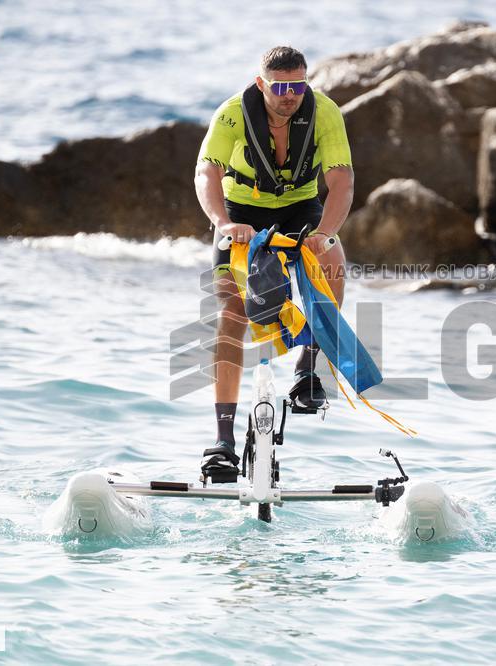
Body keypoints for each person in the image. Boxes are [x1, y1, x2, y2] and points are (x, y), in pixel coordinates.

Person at [193, 46, 355, 478]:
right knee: (231, 311)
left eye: (298, 85)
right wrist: (224, 224)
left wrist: (324, 234)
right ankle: (222, 441)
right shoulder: (231, 114)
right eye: (280, 86)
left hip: (300, 208)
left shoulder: (324, 112)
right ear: (262, 83)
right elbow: (206, 173)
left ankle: (308, 369)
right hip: (242, 213)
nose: (290, 95)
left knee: (334, 267)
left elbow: (341, 181)